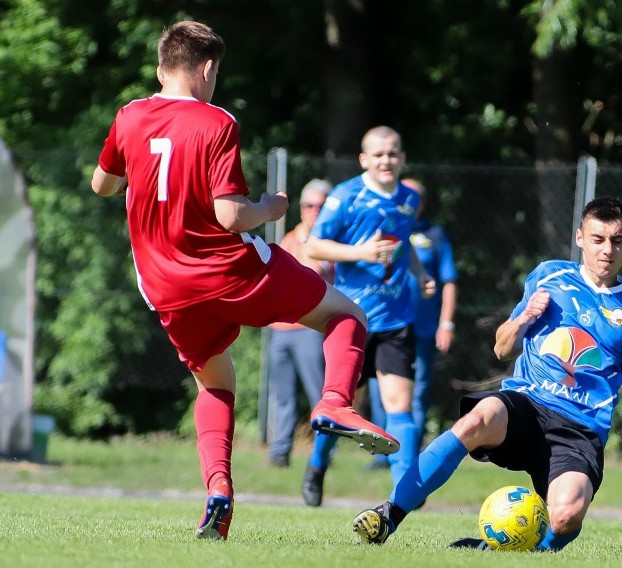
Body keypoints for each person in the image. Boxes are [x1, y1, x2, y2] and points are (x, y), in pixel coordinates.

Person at [90, 21, 397, 541]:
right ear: (207, 68)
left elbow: (103, 184)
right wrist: (271, 207)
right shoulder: (215, 122)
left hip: (165, 285)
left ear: (161, 65)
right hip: (229, 270)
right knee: (347, 315)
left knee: (216, 383)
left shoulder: (129, 116)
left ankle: (218, 493)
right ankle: (335, 403)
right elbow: (231, 217)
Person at [352, 196, 622, 550]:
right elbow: (501, 348)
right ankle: (388, 515)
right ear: (580, 238)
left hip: (579, 431)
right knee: (474, 420)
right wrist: (524, 318)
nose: (607, 249)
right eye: (597, 239)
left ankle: (521, 551)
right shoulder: (549, 276)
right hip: (527, 403)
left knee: (567, 513)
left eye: (616, 240)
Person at [301, 126, 435, 506]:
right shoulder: (345, 196)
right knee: (338, 407)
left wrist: (420, 273)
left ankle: (405, 490)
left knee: (399, 407)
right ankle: (317, 467)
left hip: (396, 321)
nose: (386, 161)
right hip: (352, 322)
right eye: (378, 155)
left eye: (392, 154)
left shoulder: (409, 198)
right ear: (364, 160)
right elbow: (314, 245)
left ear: (402, 157)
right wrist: (360, 253)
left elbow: (402, 241)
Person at [368, 178, 457, 469]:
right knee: (379, 393)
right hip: (383, 325)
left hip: (421, 329)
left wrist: (446, 323)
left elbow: (448, 281)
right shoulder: (380, 230)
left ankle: (408, 456)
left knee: (415, 395)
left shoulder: (435, 235)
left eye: (413, 197)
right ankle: (383, 455)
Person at [266, 179, 334, 467]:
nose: (314, 211)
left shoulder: (330, 241)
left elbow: (312, 274)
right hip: (281, 329)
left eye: (320, 205)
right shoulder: (290, 239)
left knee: (320, 396)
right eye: (309, 205)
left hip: (310, 329)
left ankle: (321, 456)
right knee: (282, 397)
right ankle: (280, 453)